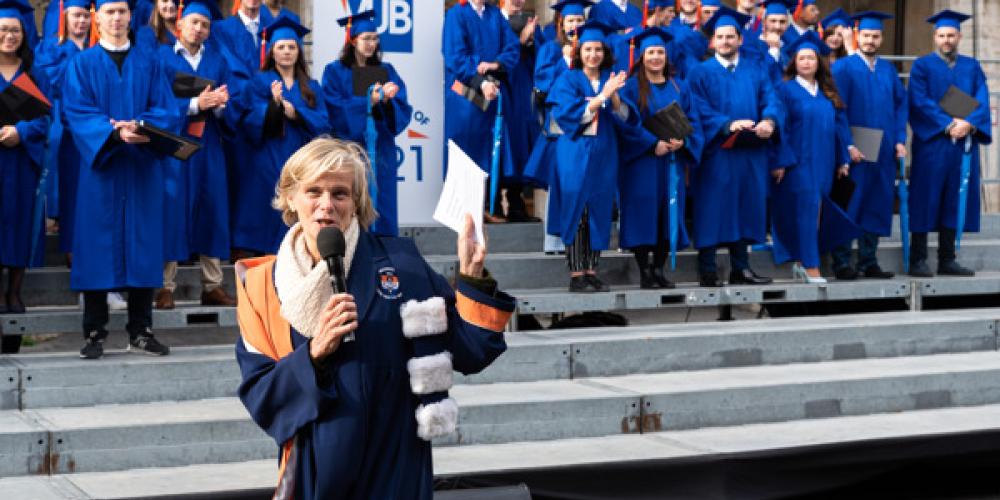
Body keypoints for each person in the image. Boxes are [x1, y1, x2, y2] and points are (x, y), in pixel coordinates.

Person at [235, 137, 513, 499]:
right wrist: (314, 354)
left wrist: (472, 275)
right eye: (313, 191)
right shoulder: (260, 287)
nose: (326, 205)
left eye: (339, 193)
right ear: (290, 198)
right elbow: (261, 395)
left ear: (356, 203)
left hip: (395, 468)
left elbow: (472, 352)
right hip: (312, 473)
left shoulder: (403, 266)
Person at [62, 0, 178, 359]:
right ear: (97, 17)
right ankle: (94, 332)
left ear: (131, 16)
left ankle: (141, 331)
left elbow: (167, 108)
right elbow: (76, 110)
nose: (116, 18)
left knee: (143, 243)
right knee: (96, 245)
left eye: (122, 12)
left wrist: (140, 125)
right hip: (103, 168)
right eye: (109, 11)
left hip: (141, 166)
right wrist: (112, 132)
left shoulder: (150, 62)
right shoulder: (81, 64)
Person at [686, 7, 783, 287]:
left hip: (751, 152)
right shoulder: (700, 72)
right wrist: (727, 124)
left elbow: (771, 99)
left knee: (744, 206)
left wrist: (769, 121)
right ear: (712, 41)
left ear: (740, 39)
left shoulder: (756, 70)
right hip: (716, 153)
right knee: (712, 207)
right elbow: (697, 109)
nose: (725, 41)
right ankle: (707, 269)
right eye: (720, 37)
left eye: (730, 37)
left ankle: (741, 268)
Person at [153, 0, 237, 309]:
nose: (199, 29)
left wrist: (222, 105)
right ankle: (165, 286)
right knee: (173, 210)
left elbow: (231, 106)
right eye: (194, 23)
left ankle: (212, 285)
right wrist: (194, 105)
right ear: (180, 25)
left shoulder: (217, 60)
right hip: (175, 145)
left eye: (205, 25)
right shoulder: (162, 58)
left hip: (209, 144)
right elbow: (156, 103)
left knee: (212, 208)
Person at [547, 21, 638, 292]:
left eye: (598, 49)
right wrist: (602, 97)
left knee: (599, 209)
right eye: (588, 49)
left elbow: (626, 118)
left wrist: (615, 97)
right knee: (578, 210)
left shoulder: (612, 78)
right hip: (574, 153)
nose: (593, 55)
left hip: (604, 153)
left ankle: (591, 271)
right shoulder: (568, 79)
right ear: (579, 51)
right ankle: (577, 274)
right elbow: (566, 116)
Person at [233, 14, 328, 256]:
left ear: (298, 52)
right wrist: (273, 106)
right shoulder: (258, 82)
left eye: (291, 47)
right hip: (266, 158)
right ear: (271, 52)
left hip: (301, 160)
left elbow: (324, 122)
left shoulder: (311, 86)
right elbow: (246, 118)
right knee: (265, 210)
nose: (286, 52)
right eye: (281, 47)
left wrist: (295, 112)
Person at [907, 10, 992, 277]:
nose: (946, 40)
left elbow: (983, 99)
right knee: (924, 197)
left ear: (959, 37)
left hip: (962, 145)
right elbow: (919, 101)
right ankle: (918, 259)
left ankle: (947, 259)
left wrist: (969, 124)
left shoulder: (972, 66)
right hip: (933, 144)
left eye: (951, 35)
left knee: (955, 198)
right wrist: (948, 124)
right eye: (942, 35)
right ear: (935, 37)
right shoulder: (922, 66)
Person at [619, 27, 702, 289]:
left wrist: (684, 141)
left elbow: (694, 121)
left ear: (667, 56)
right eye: (650, 52)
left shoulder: (680, 86)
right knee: (642, 214)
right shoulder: (631, 87)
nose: (656, 57)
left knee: (669, 213)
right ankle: (644, 271)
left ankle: (658, 268)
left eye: (660, 52)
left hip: (671, 163)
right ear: (641, 57)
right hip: (642, 162)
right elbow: (626, 125)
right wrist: (651, 144)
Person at [770, 31, 856, 283]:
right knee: (807, 209)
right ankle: (811, 266)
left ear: (819, 62)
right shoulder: (784, 90)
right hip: (797, 161)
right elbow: (780, 128)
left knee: (816, 213)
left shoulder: (827, 92)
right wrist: (780, 161)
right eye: (802, 58)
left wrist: (842, 159)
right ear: (794, 62)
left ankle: (801, 261)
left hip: (824, 160)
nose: (806, 62)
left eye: (811, 58)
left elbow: (839, 127)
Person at [321, 9, 412, 237]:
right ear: (353, 40)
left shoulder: (386, 71)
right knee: (351, 196)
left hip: (380, 148)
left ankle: (383, 247)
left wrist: (388, 101)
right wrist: (367, 102)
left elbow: (401, 107)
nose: (372, 44)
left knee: (383, 199)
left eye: (375, 38)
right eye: (366, 38)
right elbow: (334, 107)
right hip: (350, 147)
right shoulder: (334, 71)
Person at [830, 11, 907, 280]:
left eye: (875, 36)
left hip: (883, 146)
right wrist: (847, 145)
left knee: (877, 202)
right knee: (851, 202)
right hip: (857, 147)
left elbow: (901, 105)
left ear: (881, 38)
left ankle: (868, 260)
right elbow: (838, 110)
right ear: (856, 36)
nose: (870, 40)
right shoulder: (843, 68)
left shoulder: (887, 69)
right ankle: (842, 262)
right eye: (866, 35)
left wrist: (900, 139)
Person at [442, 0, 519, 223]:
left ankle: (484, 206)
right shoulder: (456, 14)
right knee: (466, 148)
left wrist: (496, 64)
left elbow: (512, 47)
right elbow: (455, 57)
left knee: (489, 149)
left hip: (491, 91)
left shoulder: (495, 15)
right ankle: (464, 211)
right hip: (464, 92)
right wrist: (480, 81)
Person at [523, 0, 589, 255]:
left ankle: (579, 240)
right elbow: (542, 83)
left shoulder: (591, 49)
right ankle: (554, 241)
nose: (575, 25)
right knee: (559, 182)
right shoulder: (551, 49)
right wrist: (565, 59)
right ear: (561, 23)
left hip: (586, 123)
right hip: (559, 124)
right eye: (571, 21)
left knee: (581, 182)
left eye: (579, 20)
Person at [213, 0, 273, 260]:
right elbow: (225, 68)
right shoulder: (221, 29)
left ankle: (264, 242)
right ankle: (237, 242)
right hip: (237, 114)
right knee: (237, 178)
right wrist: (252, 91)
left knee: (265, 181)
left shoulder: (273, 25)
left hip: (268, 114)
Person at [0, 0, 50, 314]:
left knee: (21, 221)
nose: (9, 36)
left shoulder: (34, 74)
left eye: (15, 31)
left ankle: (15, 292)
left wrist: (21, 132)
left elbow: (44, 119)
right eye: (4, 30)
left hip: (21, 161)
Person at [34, 0, 90, 266]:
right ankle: (72, 250)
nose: (81, 21)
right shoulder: (50, 48)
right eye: (75, 16)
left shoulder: (97, 48)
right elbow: (49, 82)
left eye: (85, 16)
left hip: (91, 128)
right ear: (63, 19)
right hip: (62, 124)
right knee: (69, 189)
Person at [499, 0, 542, 222]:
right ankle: (493, 205)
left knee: (520, 144)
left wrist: (532, 41)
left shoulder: (528, 21)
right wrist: (520, 41)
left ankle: (517, 203)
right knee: (501, 144)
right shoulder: (492, 20)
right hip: (502, 87)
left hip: (522, 88)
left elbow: (540, 56)